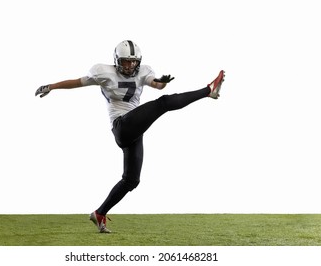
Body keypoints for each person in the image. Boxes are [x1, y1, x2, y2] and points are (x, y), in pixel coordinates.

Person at [35, 40, 225, 233]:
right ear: (117, 60)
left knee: (131, 180)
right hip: (121, 126)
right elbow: (77, 82)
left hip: (135, 129)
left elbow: (156, 84)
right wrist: (51, 86)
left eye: (133, 62)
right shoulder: (103, 72)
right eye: (126, 61)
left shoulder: (143, 71)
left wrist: (162, 82)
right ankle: (208, 90)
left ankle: (99, 213)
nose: (129, 65)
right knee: (163, 104)